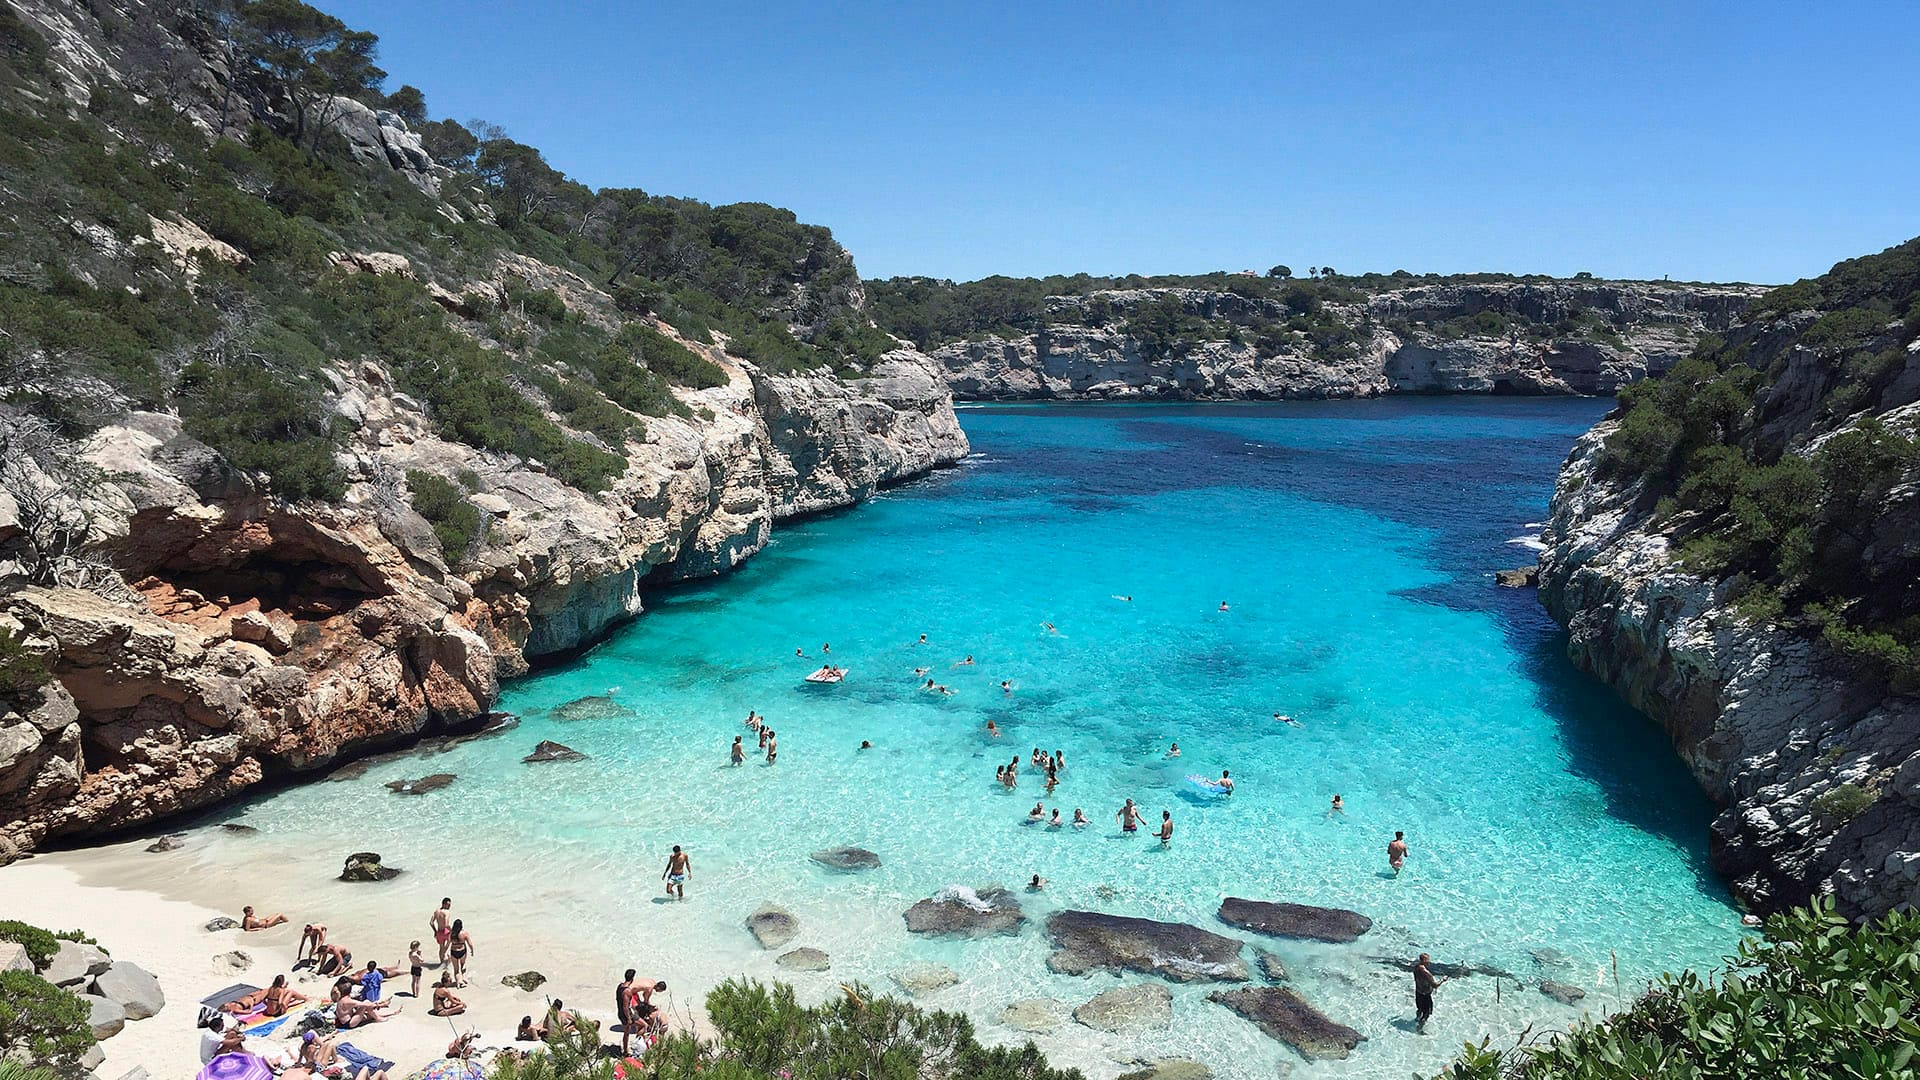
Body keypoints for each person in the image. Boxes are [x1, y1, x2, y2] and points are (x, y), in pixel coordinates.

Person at [1413, 953, 1448, 1031]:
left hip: (1418, 992)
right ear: (1424, 960)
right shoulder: (1427, 973)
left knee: (1419, 1009)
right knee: (1426, 1014)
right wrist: (1443, 980)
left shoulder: (1416, 967)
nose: (1430, 962)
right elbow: (1435, 985)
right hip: (1425, 996)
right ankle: (1419, 1029)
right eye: (1428, 960)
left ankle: (1417, 1019)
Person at [616, 969, 638, 1054]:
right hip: (626, 1014)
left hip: (621, 1012)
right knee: (643, 1026)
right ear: (632, 979)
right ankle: (630, 1049)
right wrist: (629, 1018)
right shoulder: (627, 991)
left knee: (627, 1032)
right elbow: (625, 1007)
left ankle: (627, 1050)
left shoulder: (620, 986)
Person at [447, 918, 474, 985]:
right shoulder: (464, 933)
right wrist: (472, 950)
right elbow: (470, 943)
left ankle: (458, 983)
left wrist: (444, 952)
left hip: (454, 951)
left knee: (456, 969)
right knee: (463, 964)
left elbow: (447, 944)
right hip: (462, 951)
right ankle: (464, 977)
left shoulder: (451, 934)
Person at [431, 898, 453, 965]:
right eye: (448, 905)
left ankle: (441, 962)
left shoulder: (436, 911)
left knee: (441, 947)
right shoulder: (447, 912)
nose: (449, 906)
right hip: (445, 931)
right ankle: (446, 957)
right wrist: (452, 931)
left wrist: (435, 931)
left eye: (450, 905)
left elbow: (431, 922)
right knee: (450, 943)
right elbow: (446, 924)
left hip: (439, 932)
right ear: (443, 904)